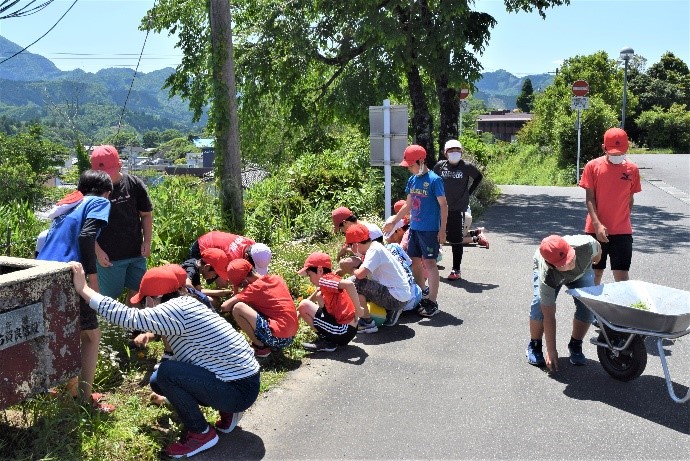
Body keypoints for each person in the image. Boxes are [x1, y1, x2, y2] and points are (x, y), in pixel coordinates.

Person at [69, 262, 260, 458]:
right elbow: (177, 354)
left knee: (166, 374)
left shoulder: (172, 310)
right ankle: (227, 408)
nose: (145, 305)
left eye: (145, 301)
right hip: (243, 382)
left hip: (238, 389)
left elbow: (126, 316)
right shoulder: (187, 304)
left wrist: (84, 289)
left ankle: (202, 434)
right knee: (159, 379)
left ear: (152, 300)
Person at [37, 170, 114, 412]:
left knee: (64, 332)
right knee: (90, 336)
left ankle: (67, 390)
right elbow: (87, 236)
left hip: (43, 269)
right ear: (107, 193)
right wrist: (91, 280)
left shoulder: (71, 203)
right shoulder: (99, 201)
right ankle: (83, 398)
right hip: (70, 271)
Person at [383, 144, 448, 317]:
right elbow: (408, 204)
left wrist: (442, 230)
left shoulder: (435, 180)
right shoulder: (412, 180)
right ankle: (422, 293)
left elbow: (443, 205)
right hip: (415, 228)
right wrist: (394, 221)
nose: (409, 168)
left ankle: (432, 302)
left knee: (430, 264)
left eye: (411, 165)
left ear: (421, 161)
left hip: (430, 230)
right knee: (414, 260)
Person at [526, 234, 602, 372]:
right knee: (539, 305)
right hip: (554, 278)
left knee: (588, 306)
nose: (570, 262)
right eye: (564, 263)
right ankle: (535, 345)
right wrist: (551, 349)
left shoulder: (586, 245)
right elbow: (549, 315)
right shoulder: (547, 274)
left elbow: (598, 252)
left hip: (582, 273)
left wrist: (596, 260)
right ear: (552, 264)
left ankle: (575, 345)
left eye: (570, 256)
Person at [90, 145, 153, 303]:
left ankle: (131, 328)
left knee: (137, 296)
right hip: (109, 258)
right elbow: (85, 227)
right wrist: (97, 251)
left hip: (136, 254)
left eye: (109, 174)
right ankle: (112, 327)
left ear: (119, 165)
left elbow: (146, 215)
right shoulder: (91, 191)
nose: (106, 179)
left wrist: (147, 241)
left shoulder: (133, 184)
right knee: (109, 301)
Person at [579, 127, 642, 286]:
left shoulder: (632, 169)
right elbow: (590, 198)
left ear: (627, 149)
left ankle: (620, 310)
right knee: (595, 273)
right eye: (613, 152)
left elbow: (630, 198)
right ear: (603, 148)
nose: (617, 156)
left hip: (622, 231)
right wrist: (597, 224)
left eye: (620, 152)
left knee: (622, 276)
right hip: (595, 229)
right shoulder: (593, 167)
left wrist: (622, 219)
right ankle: (590, 311)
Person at [433, 139, 488, 280]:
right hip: (439, 207)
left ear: (461, 152)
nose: (454, 153)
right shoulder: (440, 166)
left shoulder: (466, 166)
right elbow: (432, 180)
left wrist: (468, 193)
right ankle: (430, 265)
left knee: (455, 239)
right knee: (434, 236)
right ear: (445, 153)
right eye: (451, 151)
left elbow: (478, 177)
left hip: (457, 208)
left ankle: (456, 269)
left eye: (457, 150)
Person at [220, 259, 298, 358]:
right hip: (290, 336)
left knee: (238, 308)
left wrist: (235, 293)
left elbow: (224, 307)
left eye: (239, 285)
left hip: (279, 339)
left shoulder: (254, 288)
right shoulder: (276, 278)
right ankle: (269, 345)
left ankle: (260, 347)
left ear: (244, 281)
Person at [345, 223, 413, 331]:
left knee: (352, 283)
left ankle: (367, 322)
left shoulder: (374, 251)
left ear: (355, 245)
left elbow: (360, 274)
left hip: (395, 297)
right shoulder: (376, 246)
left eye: (350, 246)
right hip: (401, 295)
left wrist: (350, 269)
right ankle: (390, 312)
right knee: (359, 285)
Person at [296, 252, 364, 352]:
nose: (310, 279)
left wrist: (358, 309)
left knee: (303, 305)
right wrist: (297, 314)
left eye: (310, 275)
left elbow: (349, 284)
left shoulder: (324, 281)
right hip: (349, 329)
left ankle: (326, 341)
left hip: (343, 331)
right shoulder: (329, 278)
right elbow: (316, 294)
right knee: (317, 298)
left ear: (319, 270)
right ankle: (329, 339)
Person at [189, 231, 272, 278]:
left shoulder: (253, 245)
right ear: (246, 257)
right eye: (253, 266)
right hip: (201, 247)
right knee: (221, 283)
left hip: (214, 238)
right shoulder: (232, 259)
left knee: (222, 282)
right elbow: (233, 279)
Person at [384, 220, 423, 312]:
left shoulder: (399, 244)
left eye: (392, 235)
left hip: (401, 301)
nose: (391, 238)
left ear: (399, 230)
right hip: (417, 292)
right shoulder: (409, 232)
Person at [331, 206, 368, 275]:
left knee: (346, 263)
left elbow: (366, 253)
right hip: (370, 263)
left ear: (345, 223)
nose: (341, 231)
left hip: (376, 269)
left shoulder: (365, 230)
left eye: (340, 228)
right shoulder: (356, 228)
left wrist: (346, 250)